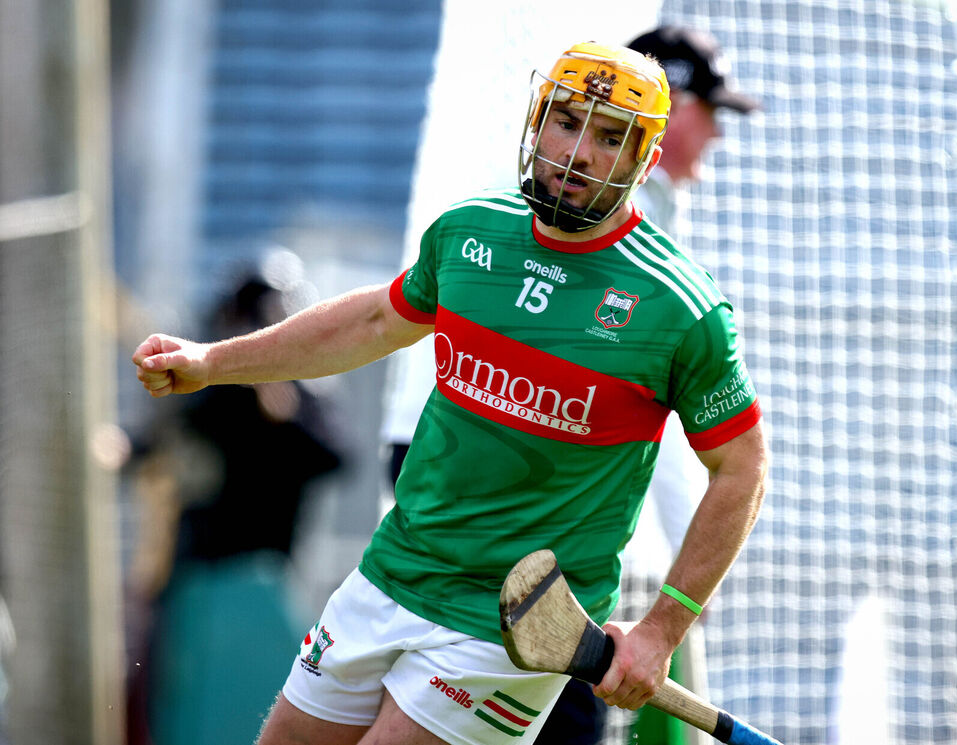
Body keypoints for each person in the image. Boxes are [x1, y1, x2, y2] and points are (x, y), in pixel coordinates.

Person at [132, 40, 767, 745]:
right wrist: (211, 361)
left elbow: (741, 467)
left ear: (644, 161)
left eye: (611, 138)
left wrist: (663, 627)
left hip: (518, 620)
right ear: (536, 124)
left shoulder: (681, 306)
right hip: (392, 573)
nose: (578, 152)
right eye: (566, 122)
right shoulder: (470, 232)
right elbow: (375, 320)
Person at [532, 26, 762, 745]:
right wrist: (679, 583)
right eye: (711, 113)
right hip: (526, 489)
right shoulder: (620, 211)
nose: (717, 135)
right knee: (558, 718)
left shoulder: (635, 208)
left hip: (526, 483)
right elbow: (629, 399)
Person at [124, 260, 347, 745]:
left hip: (264, 572)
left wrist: (282, 413)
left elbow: (335, 457)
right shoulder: (211, 383)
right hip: (199, 573)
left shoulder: (301, 390)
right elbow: (156, 437)